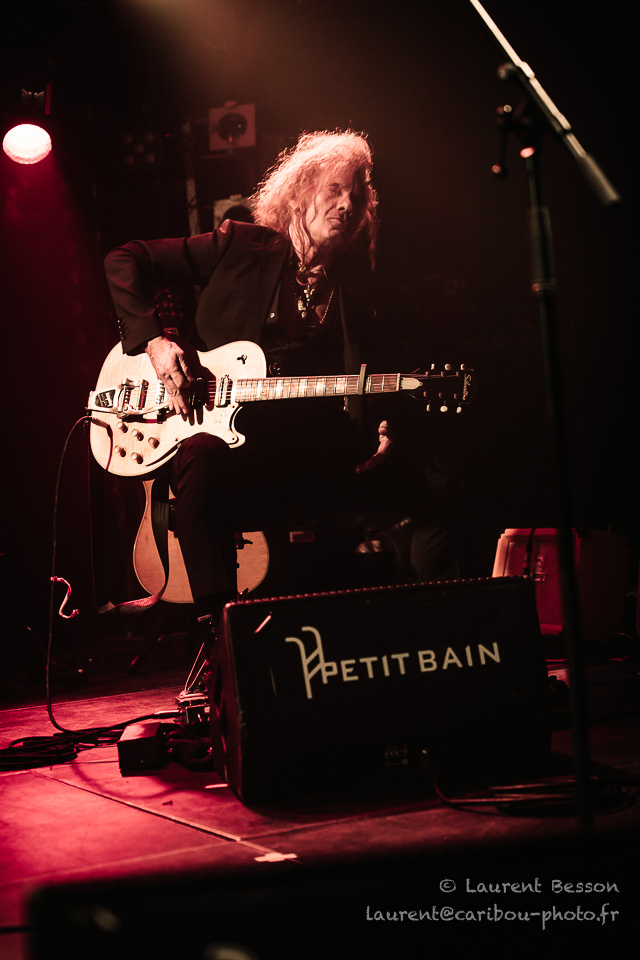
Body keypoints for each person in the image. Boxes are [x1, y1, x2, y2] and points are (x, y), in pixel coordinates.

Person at [104, 129, 399, 638]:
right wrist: (153, 342)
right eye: (334, 190)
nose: (347, 204)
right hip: (211, 429)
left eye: (356, 194)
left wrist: (386, 420)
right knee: (200, 460)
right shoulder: (242, 245)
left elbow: (376, 362)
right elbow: (124, 259)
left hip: (297, 441)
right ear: (301, 193)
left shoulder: (355, 284)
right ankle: (221, 626)